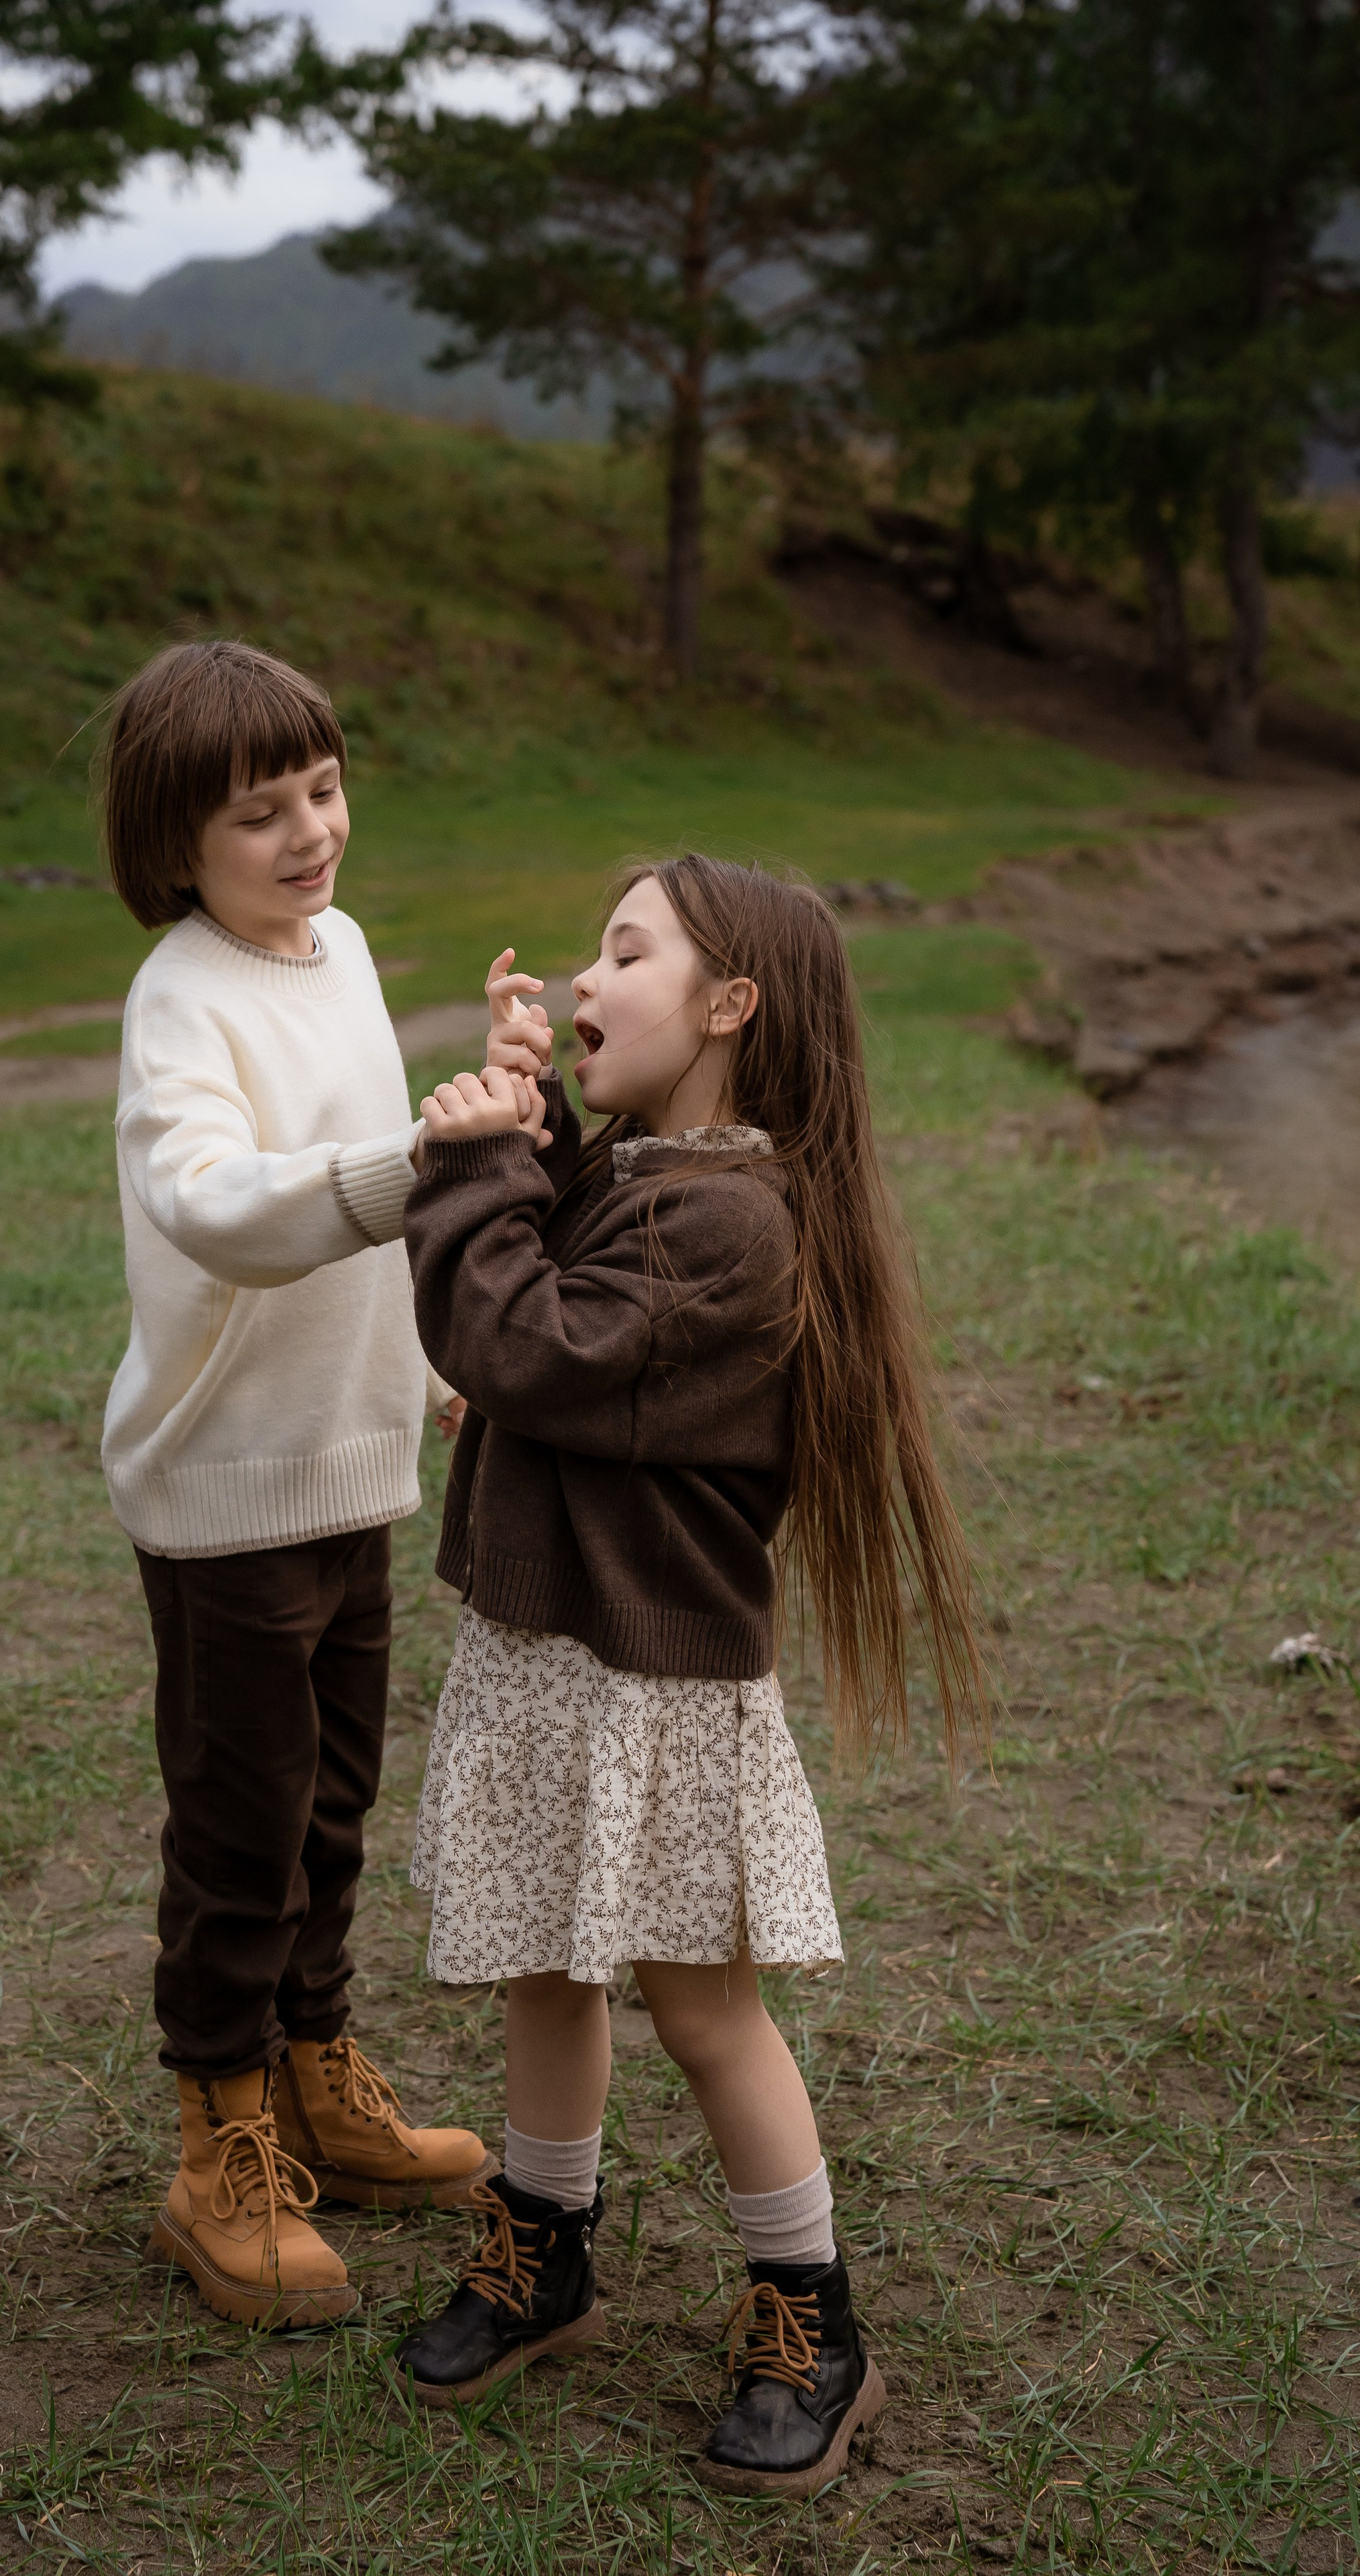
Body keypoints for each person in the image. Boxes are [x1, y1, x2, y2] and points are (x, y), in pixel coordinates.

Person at [394, 854, 984, 2498]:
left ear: (727, 1004)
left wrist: (475, 1163)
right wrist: (532, 1126)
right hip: (553, 1654)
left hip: (654, 1682)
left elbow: (536, 1342)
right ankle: (542, 2246)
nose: (583, 977)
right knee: (542, 1964)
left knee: (703, 2007)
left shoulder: (730, 1218)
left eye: (623, 951)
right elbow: (568, 1319)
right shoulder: (657, 1172)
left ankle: (810, 2313)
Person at [99, 638, 492, 2334]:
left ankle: (318, 2072)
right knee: (239, 1825)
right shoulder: (181, 995)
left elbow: (370, 1231)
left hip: (352, 1468)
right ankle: (219, 2142)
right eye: (259, 813)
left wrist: (428, 1361)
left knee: (331, 1804)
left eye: (322, 791)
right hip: (228, 1489)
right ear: (174, 844)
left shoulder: (340, 952)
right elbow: (219, 1205)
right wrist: (411, 1163)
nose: (309, 833)